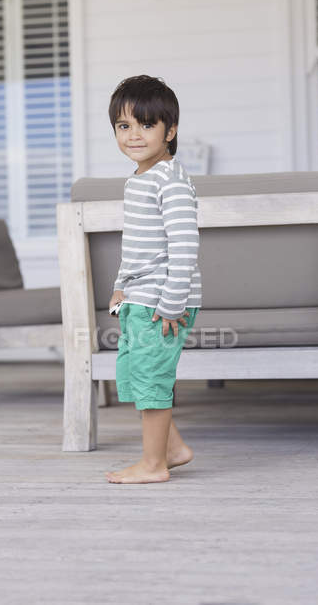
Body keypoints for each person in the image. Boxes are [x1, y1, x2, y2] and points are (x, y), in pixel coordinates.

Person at [106, 74, 202, 484]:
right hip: (139, 297)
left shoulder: (171, 180)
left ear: (171, 130)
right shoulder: (139, 180)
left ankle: (153, 465)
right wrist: (121, 284)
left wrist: (171, 303)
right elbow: (139, 246)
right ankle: (174, 448)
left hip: (161, 303)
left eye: (146, 125)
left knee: (151, 378)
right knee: (133, 375)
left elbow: (184, 247)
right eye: (124, 126)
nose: (134, 135)